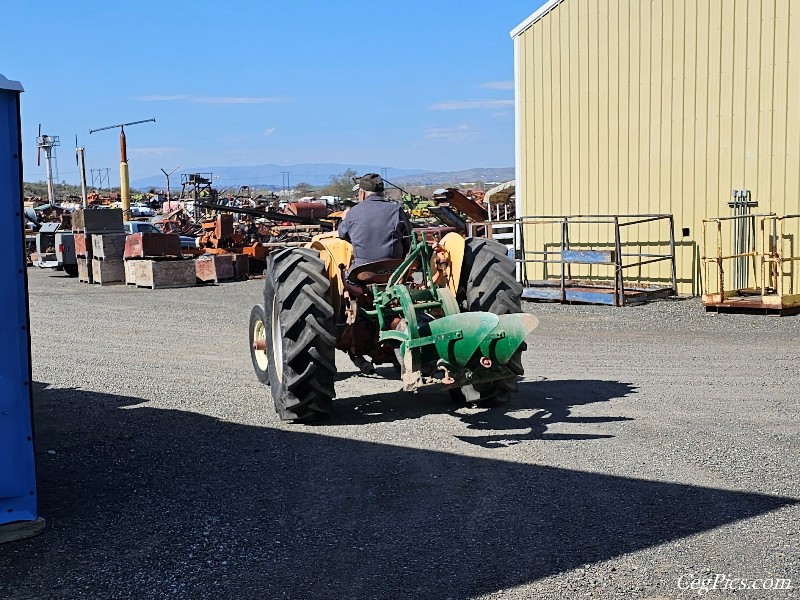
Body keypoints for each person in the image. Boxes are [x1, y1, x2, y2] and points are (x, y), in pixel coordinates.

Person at [338, 173, 412, 267]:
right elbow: (408, 239)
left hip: (362, 271)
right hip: (393, 269)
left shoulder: (353, 212)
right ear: (382, 192)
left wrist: (344, 219)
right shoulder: (396, 210)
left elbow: (342, 234)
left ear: (362, 193)